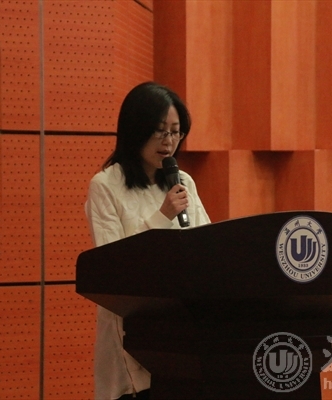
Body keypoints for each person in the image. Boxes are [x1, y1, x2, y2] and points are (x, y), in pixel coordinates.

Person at [84, 81, 211, 400]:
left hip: (184, 330)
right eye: (159, 131)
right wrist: (163, 215)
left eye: (175, 132)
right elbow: (112, 265)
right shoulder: (106, 186)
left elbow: (208, 244)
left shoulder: (183, 181)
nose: (169, 142)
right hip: (133, 332)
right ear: (136, 130)